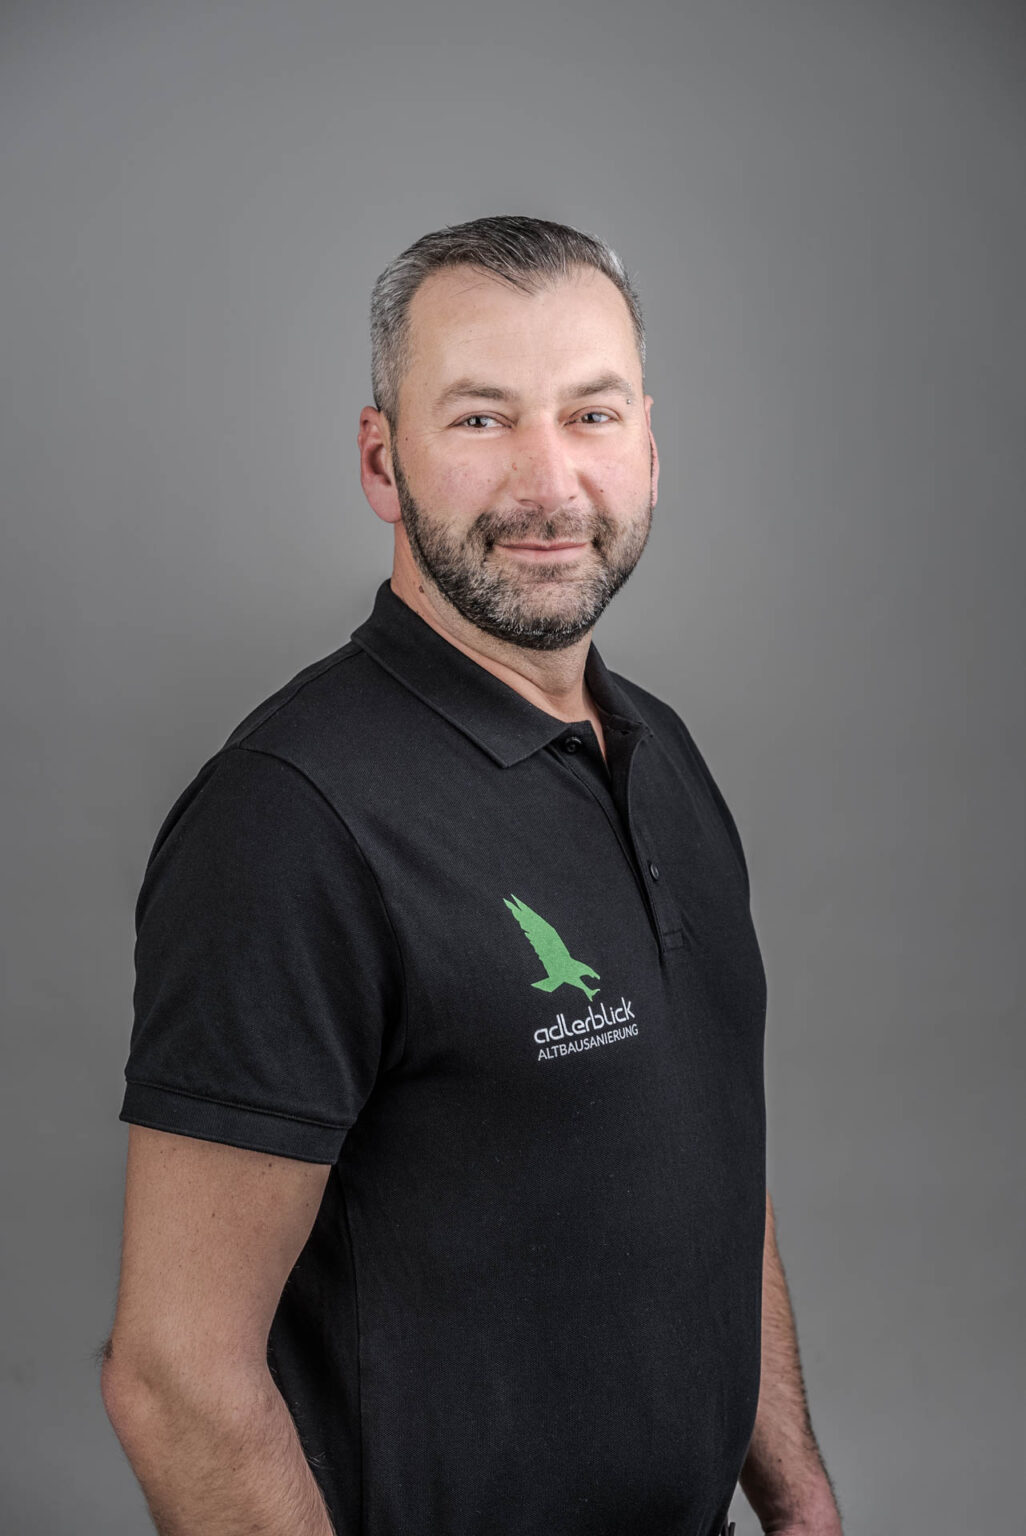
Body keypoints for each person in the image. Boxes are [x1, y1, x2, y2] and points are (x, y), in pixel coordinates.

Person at [100, 215, 843, 1536]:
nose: (548, 482)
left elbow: (707, 1159)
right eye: (482, 419)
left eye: (591, 415)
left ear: (650, 448)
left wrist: (794, 1494)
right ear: (382, 460)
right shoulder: (291, 820)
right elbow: (173, 1383)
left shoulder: (659, 752)